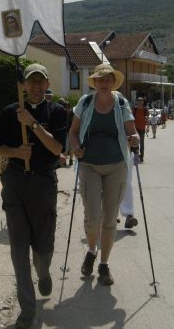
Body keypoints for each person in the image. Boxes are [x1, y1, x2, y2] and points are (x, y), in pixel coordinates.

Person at [0, 63, 67, 329]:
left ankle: (43, 271)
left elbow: (57, 148)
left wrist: (32, 124)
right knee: (18, 248)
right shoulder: (9, 112)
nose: (35, 86)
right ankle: (27, 309)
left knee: (43, 246)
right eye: (30, 81)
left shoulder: (56, 112)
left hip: (43, 183)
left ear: (47, 85)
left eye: (40, 81)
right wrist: (14, 153)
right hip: (15, 183)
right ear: (23, 85)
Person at [68, 63, 139, 286]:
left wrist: (135, 138)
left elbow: (131, 131)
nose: (105, 83)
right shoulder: (85, 102)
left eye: (108, 79)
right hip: (89, 164)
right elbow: (73, 132)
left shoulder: (121, 102)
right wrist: (76, 147)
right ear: (95, 83)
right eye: (101, 79)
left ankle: (104, 265)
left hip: (116, 165)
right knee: (92, 218)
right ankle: (91, 250)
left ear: (112, 82)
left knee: (109, 221)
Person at [132, 97, 148, 163]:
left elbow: (147, 119)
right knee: (136, 144)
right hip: (135, 129)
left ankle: (141, 157)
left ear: (143, 102)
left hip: (142, 129)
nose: (140, 102)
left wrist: (148, 127)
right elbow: (132, 119)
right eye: (139, 101)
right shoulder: (135, 109)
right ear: (137, 102)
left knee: (142, 144)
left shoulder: (145, 109)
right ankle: (136, 157)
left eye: (141, 101)